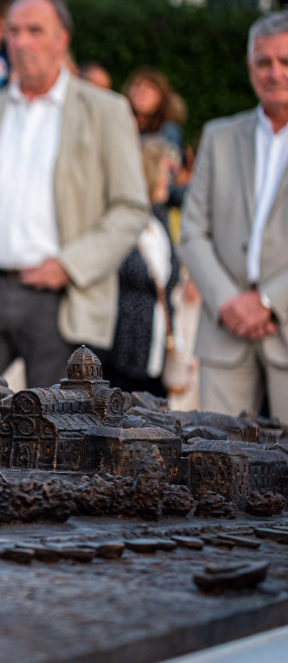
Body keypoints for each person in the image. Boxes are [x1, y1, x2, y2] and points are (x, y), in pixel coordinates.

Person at [0, 0, 148, 389]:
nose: (21, 41)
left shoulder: (106, 111)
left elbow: (130, 208)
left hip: (62, 301)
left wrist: (69, 265)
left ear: (62, 40)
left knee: (55, 435)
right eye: (13, 31)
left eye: (34, 31)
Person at [179, 11, 288, 419]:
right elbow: (191, 231)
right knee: (219, 464)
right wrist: (228, 300)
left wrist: (268, 302)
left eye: (285, 61)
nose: (274, 72)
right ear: (250, 67)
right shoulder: (218, 136)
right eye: (264, 62)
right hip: (224, 331)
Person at [103, 138, 181, 396]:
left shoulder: (160, 217)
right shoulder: (119, 217)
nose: (169, 179)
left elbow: (169, 276)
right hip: (121, 350)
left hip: (157, 348)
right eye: (164, 172)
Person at [123, 68, 186, 155]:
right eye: (137, 85)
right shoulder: (119, 124)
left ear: (161, 97)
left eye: (150, 87)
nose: (142, 90)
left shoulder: (169, 130)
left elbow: (170, 165)